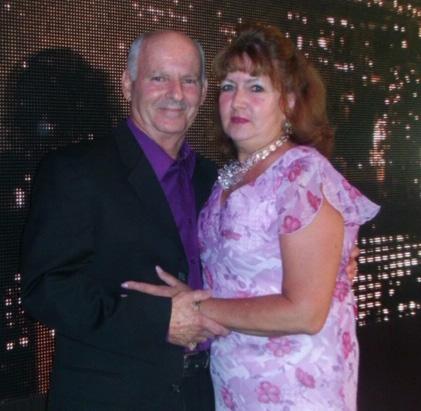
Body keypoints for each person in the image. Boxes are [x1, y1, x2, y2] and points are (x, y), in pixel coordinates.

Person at [124, 23, 379, 410]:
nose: (238, 101)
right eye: (229, 86)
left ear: (288, 101)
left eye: (256, 87)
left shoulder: (301, 173)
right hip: (233, 380)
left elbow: (306, 312)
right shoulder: (222, 178)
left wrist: (193, 309)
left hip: (294, 385)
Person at [21, 31, 229, 411]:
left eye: (188, 80)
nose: (175, 93)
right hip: (111, 398)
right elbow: (46, 289)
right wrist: (157, 320)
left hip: (206, 393)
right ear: (128, 84)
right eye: (158, 78)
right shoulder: (74, 171)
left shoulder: (213, 179)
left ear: (202, 92)